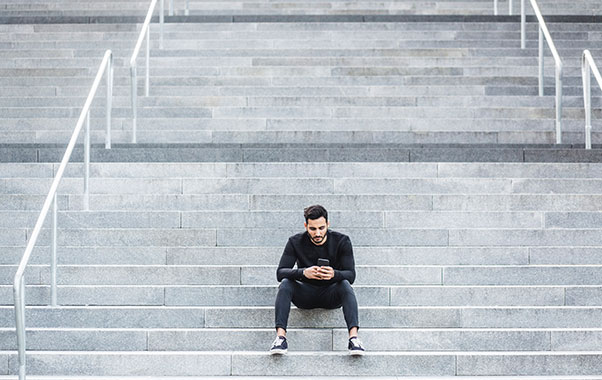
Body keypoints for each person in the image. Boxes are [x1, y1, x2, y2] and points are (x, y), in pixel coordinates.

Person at [270, 205, 365, 356]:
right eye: (313, 229)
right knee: (286, 284)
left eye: (321, 228)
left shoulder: (342, 240)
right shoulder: (295, 241)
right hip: (305, 295)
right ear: (306, 226)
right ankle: (280, 338)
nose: (318, 233)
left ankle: (354, 339)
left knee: (345, 284)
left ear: (328, 224)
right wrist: (303, 273)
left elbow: (351, 275)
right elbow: (280, 273)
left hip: (331, 295)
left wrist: (334, 274)